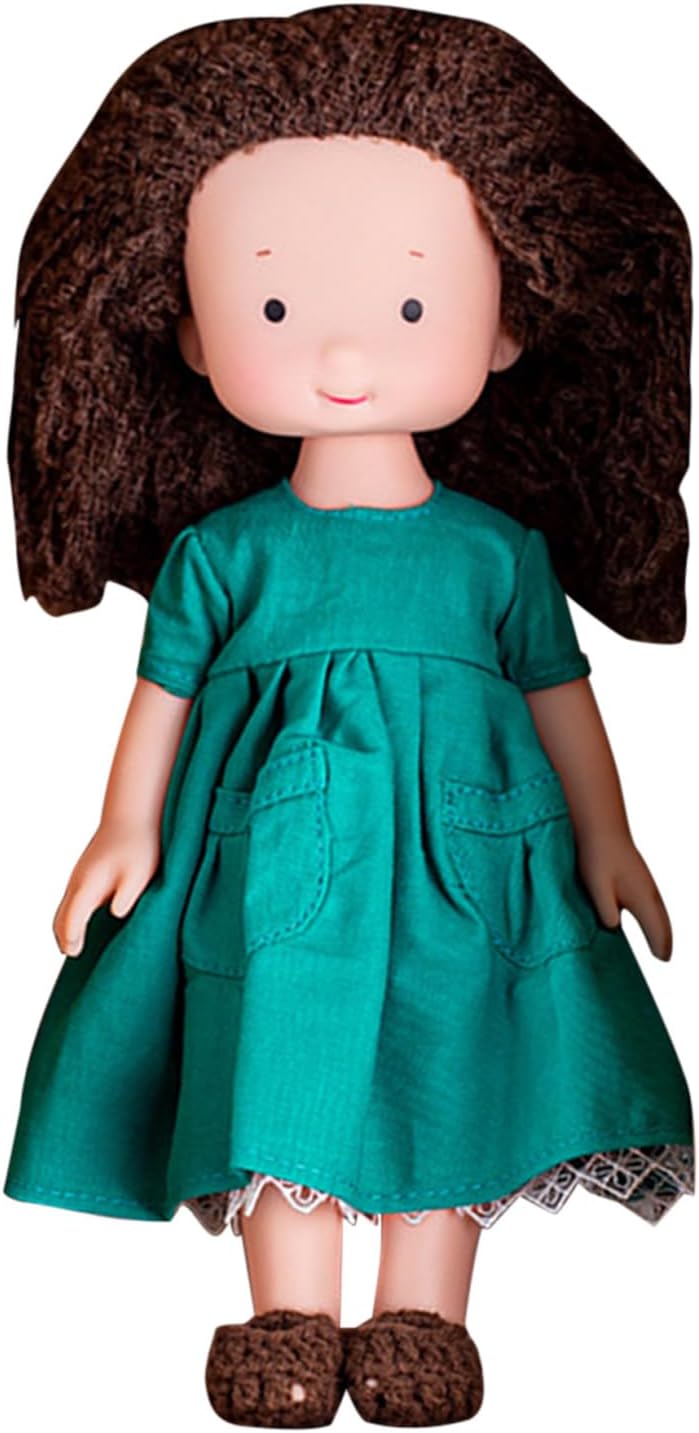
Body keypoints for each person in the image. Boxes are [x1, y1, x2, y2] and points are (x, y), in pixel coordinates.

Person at [4, 6, 694, 1426]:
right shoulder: (224, 555)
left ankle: (423, 1318)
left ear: (507, 325)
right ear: (193, 336)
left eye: (412, 308)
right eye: (269, 311)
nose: (338, 348)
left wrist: (609, 837)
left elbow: (561, 693)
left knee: (460, 1047)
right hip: (268, 866)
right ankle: (288, 1315)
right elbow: (161, 696)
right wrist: (124, 829)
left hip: (473, 863)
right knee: (281, 1048)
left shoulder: (496, 554)